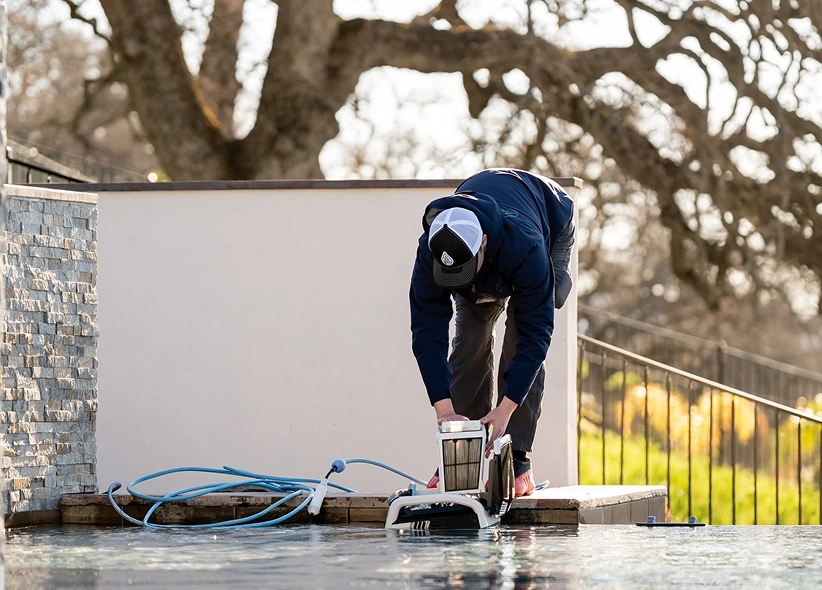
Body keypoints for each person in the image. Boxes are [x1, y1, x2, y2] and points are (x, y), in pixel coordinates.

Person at [409, 168, 575, 497]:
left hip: (547, 218)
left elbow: (535, 335)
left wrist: (506, 408)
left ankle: (518, 462)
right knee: (470, 339)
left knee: (521, 337)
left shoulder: (525, 246)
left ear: (482, 242)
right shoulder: (430, 251)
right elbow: (427, 333)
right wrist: (445, 411)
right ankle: (459, 459)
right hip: (491, 251)